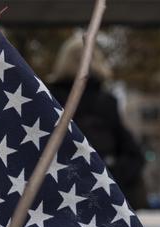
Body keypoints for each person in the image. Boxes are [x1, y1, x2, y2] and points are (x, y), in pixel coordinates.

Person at [48, 35, 147, 209]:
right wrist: (111, 177)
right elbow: (133, 154)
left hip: (58, 192)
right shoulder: (106, 101)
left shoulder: (49, 98)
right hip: (103, 196)